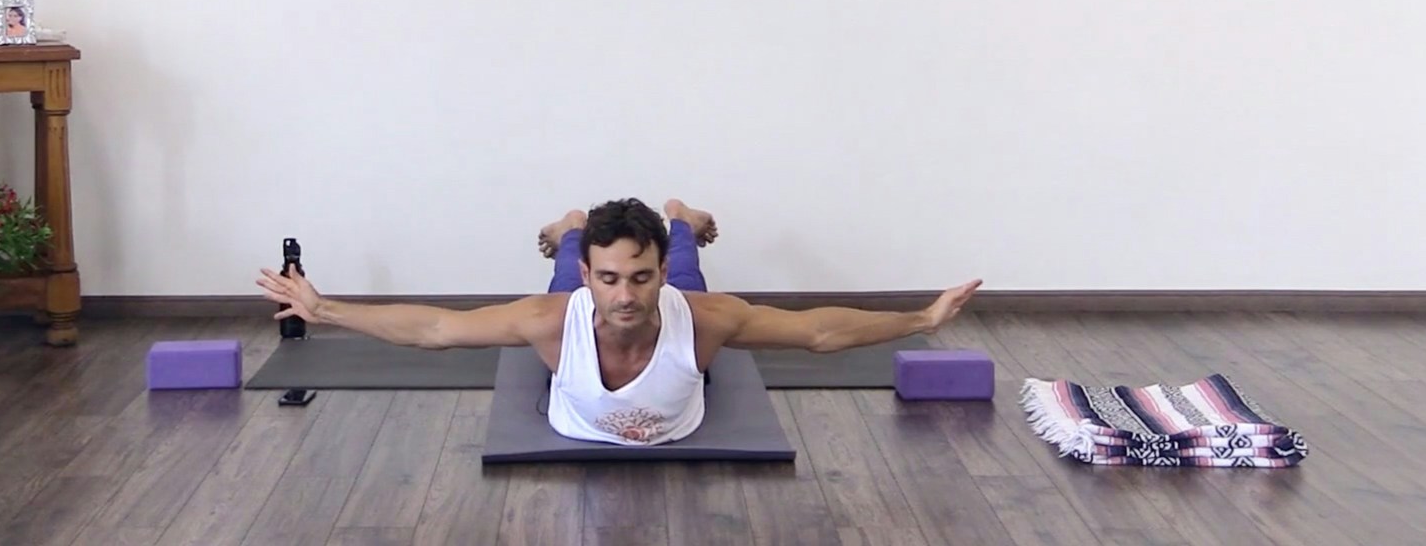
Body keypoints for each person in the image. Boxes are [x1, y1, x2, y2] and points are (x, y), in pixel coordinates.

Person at [256, 197, 982, 447]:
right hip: (568, 301)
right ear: (589, 277)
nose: (626, 295)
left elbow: (818, 333)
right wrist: (327, 311)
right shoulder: (553, 317)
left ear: (656, 274)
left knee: (689, 256)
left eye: (640, 276)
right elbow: (438, 331)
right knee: (569, 253)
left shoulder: (702, 316)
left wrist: (922, 317)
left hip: (683, 302)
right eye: (608, 278)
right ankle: (568, 225)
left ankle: (681, 217)